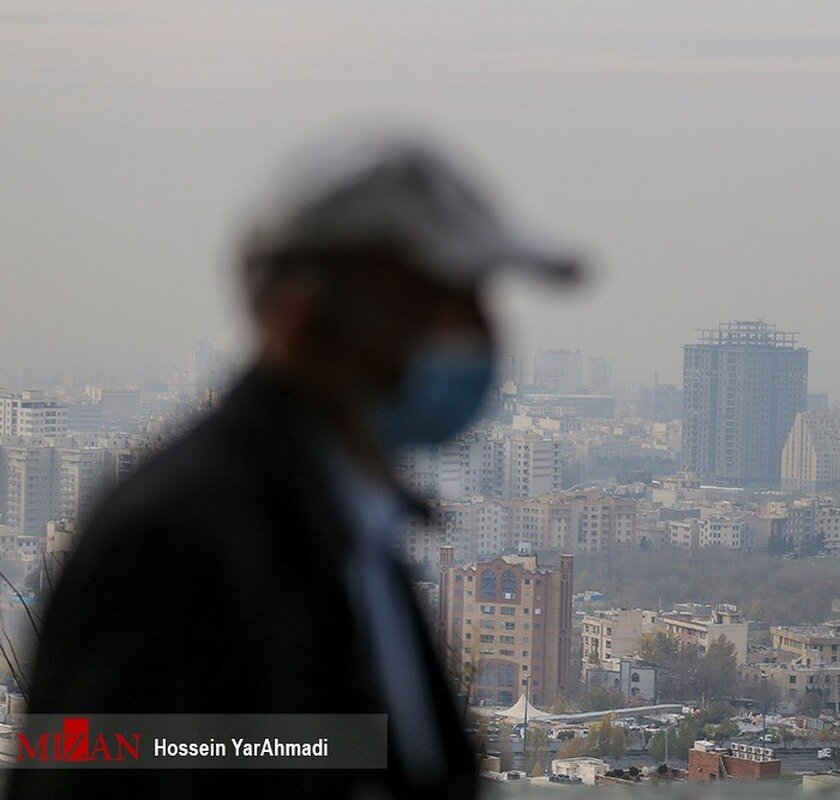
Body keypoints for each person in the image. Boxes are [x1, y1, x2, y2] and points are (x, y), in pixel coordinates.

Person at [8, 134, 582, 798]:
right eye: (428, 304)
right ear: (301, 315)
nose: (475, 335)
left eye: (475, 300)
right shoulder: (179, 537)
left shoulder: (345, 524)